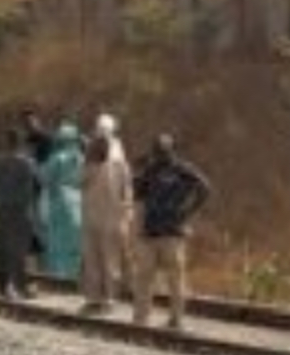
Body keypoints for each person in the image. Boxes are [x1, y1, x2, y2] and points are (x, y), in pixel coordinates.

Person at [132, 134, 215, 329]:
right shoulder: (178, 169)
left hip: (160, 232)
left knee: (152, 279)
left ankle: (147, 319)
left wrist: (188, 211)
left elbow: (205, 188)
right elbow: (205, 188)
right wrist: (188, 211)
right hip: (165, 232)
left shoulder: (159, 170)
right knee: (171, 280)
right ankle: (164, 319)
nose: (161, 155)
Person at [0, 128, 41, 299]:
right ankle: (19, 286)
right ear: (21, 144)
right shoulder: (29, 163)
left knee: (0, 247)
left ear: (6, 142)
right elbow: (39, 186)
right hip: (22, 210)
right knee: (19, 249)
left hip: (0, 209)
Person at [78, 134, 133, 314]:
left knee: (106, 262)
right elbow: (78, 182)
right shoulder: (91, 167)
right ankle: (96, 298)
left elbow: (127, 195)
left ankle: (106, 298)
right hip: (96, 220)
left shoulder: (118, 167)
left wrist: (125, 216)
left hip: (107, 221)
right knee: (97, 261)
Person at [37, 122, 86, 280]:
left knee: (57, 239)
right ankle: (73, 274)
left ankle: (58, 274)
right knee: (75, 239)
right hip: (78, 199)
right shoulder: (82, 157)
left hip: (60, 198)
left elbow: (44, 178)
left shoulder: (57, 157)